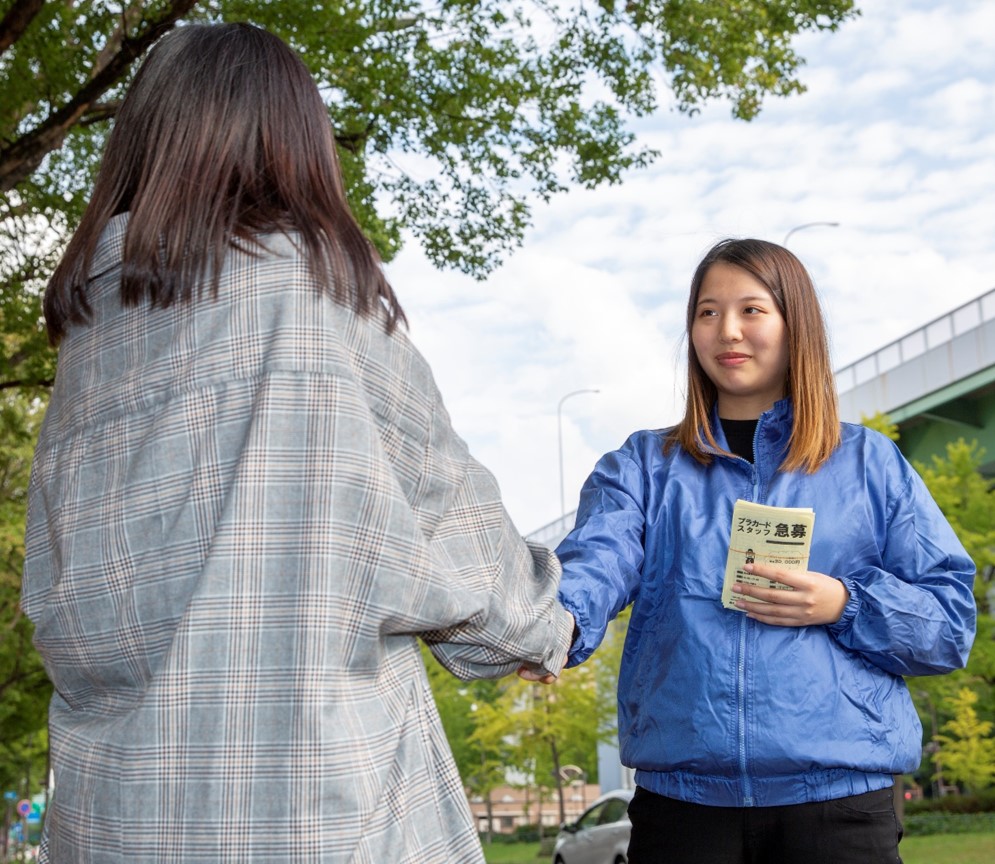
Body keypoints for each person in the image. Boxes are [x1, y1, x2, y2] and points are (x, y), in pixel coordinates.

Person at [22, 23, 574, 864]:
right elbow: (465, 553)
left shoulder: (87, 338)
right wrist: (548, 629)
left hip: (113, 819)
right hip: (313, 808)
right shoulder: (319, 300)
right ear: (294, 142)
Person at [550, 238, 976, 863]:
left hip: (839, 807)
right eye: (707, 312)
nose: (728, 330)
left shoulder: (869, 462)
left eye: (752, 310)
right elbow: (595, 562)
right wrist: (551, 624)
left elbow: (949, 624)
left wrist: (844, 603)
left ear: (793, 323)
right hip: (683, 809)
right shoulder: (643, 466)